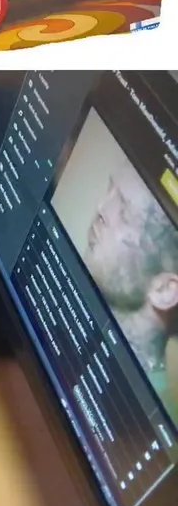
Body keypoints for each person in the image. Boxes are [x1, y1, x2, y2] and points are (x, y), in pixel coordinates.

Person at [81, 164, 178, 419]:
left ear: (164, 290)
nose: (101, 208)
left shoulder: (147, 417)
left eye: (126, 214)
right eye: (109, 190)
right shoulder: (80, 328)